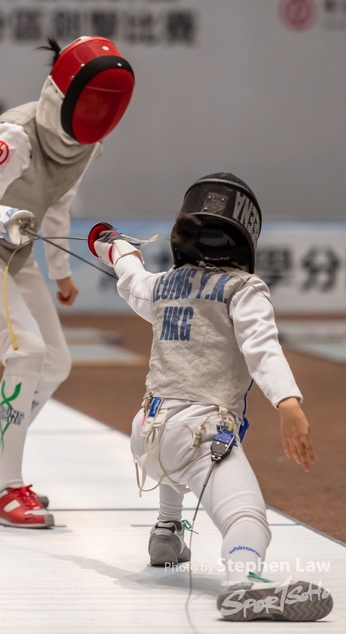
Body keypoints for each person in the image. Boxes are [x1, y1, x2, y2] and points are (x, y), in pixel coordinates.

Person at [90, 172, 333, 621]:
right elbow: (262, 346)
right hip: (201, 438)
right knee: (247, 518)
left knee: (173, 451)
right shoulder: (243, 289)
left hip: (145, 436)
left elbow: (130, 275)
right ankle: (244, 584)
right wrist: (288, 403)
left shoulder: (163, 285)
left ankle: (166, 531)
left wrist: (111, 244)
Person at [0, 36, 135, 529]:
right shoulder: (17, 135)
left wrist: (61, 273)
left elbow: (58, 205)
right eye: (90, 102)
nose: (97, 114)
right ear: (62, 95)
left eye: (105, 105)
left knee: (56, 362)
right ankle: (8, 490)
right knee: (27, 353)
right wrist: (3, 218)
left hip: (15, 253)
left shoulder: (85, 146)